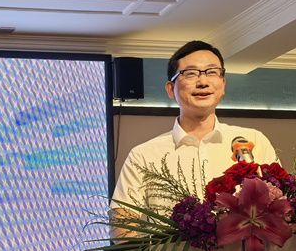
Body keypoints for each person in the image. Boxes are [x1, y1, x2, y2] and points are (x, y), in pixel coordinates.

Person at [112, 40, 277, 223]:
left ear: (223, 84)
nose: (203, 82)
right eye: (190, 73)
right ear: (170, 89)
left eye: (212, 72)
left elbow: (280, 207)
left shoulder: (254, 141)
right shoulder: (144, 156)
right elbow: (122, 221)